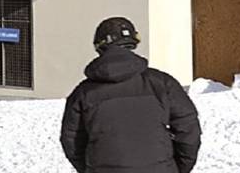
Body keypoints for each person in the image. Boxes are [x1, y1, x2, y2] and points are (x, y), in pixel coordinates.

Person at [60, 16, 201, 173]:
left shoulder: (83, 93)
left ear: (99, 47)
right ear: (133, 43)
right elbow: (188, 129)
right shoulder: (162, 83)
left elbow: (71, 141)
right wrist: (179, 167)